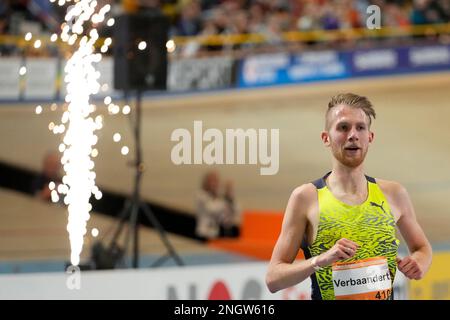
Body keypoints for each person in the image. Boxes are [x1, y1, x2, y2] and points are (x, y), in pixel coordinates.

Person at [266, 93, 432, 300]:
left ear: (370, 137)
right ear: (326, 138)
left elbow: (422, 248)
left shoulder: (394, 194)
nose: (353, 135)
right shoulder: (306, 198)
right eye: (343, 127)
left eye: (360, 127)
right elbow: (273, 278)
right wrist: (318, 261)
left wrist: (419, 263)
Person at [195, 170, 240, 240]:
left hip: (216, 234)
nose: (214, 184)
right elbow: (211, 208)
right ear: (206, 182)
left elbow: (236, 210)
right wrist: (226, 197)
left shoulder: (219, 197)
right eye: (212, 181)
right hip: (204, 234)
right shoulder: (201, 195)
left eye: (216, 181)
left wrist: (230, 197)